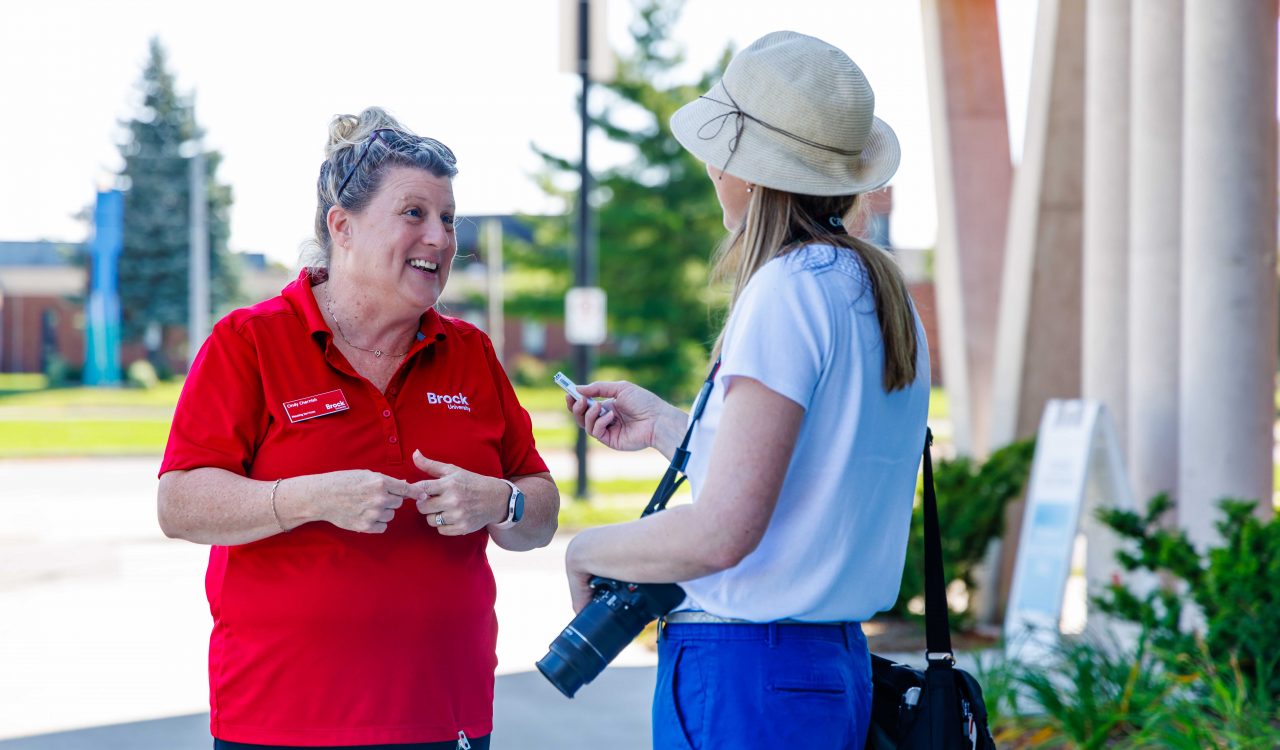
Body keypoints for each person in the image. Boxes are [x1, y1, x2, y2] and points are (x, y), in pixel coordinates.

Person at [563, 31, 930, 749]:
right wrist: (672, 426)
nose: (709, 166)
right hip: (828, 664)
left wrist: (588, 550)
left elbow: (724, 531)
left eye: (719, 149)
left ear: (752, 169)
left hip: (746, 674)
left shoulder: (787, 290)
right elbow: (815, 473)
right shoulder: (877, 289)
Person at [157, 107, 558, 750]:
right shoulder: (249, 342)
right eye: (414, 214)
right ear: (341, 226)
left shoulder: (471, 352)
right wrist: (310, 498)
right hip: (282, 722)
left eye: (449, 219)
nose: (441, 237)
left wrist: (500, 500)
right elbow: (179, 505)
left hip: (446, 717)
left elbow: (538, 510)